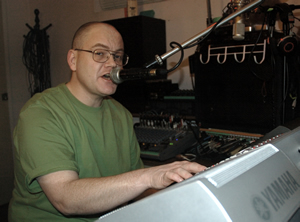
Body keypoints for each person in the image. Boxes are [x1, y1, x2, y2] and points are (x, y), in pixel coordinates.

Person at [8, 21, 206, 221]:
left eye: (118, 56)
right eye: (100, 53)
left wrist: (184, 194)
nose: (112, 64)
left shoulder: (121, 115)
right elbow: (65, 198)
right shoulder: (40, 113)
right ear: (73, 60)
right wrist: (149, 176)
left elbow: (135, 189)